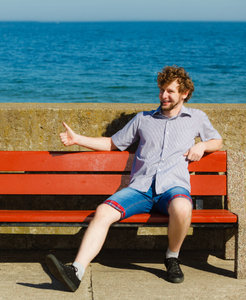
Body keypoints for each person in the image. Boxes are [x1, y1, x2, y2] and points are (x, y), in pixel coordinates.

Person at [45, 66, 223, 292]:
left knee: (183, 207)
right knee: (103, 212)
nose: (163, 96)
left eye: (169, 91)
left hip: (172, 187)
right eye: (161, 90)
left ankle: (172, 258)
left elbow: (217, 140)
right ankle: (76, 271)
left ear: (184, 93)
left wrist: (203, 145)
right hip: (140, 189)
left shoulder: (196, 117)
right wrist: (77, 138)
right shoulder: (143, 119)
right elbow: (113, 143)